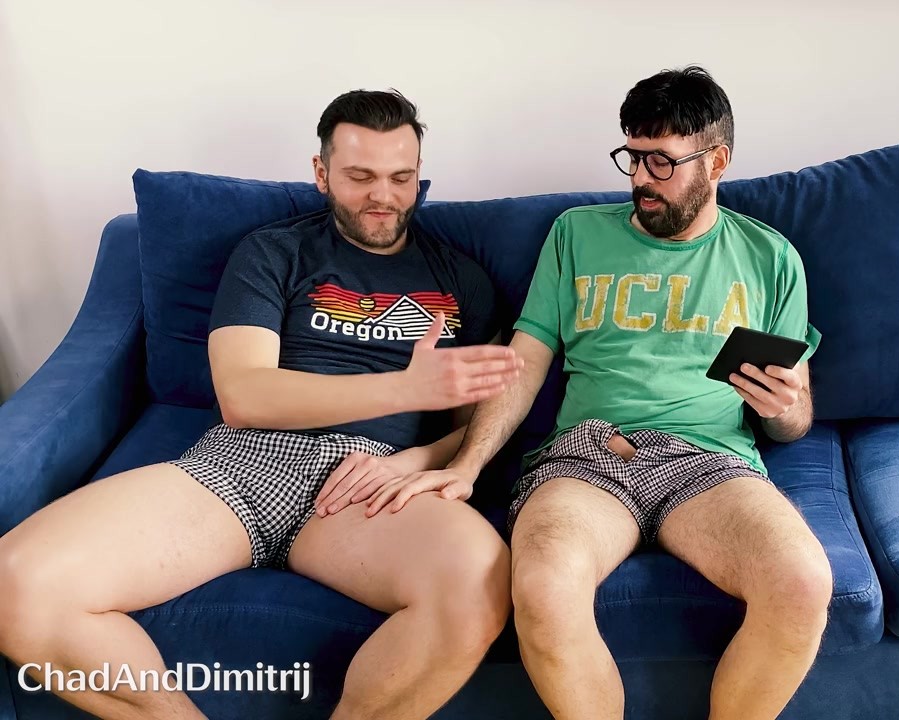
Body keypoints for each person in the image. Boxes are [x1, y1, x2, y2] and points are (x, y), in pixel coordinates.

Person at [0, 89, 522, 720]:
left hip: (370, 476)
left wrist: (416, 460)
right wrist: (406, 388)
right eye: (360, 176)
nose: (382, 196)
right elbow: (244, 396)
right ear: (321, 172)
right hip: (242, 464)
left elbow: (479, 427)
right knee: (18, 583)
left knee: (476, 583)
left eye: (400, 177)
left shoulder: (461, 280)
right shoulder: (274, 252)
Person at [393, 67, 832, 720]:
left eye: (662, 162)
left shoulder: (770, 258)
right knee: (543, 587)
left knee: (803, 583)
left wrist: (787, 408)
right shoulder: (576, 233)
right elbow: (525, 360)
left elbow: (792, 422)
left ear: (716, 163)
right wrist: (467, 464)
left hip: (710, 460)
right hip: (587, 456)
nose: (641, 179)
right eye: (632, 157)